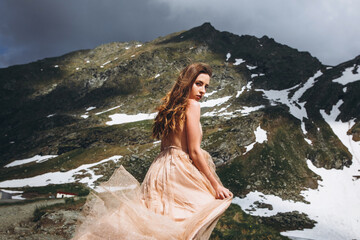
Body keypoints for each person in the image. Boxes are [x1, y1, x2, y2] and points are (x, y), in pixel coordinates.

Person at [73, 63, 233, 240]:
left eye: (206, 86)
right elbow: (194, 151)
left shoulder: (169, 110)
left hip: (159, 169)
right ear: (187, 82)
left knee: (154, 222)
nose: (203, 91)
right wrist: (215, 184)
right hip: (179, 169)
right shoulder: (193, 106)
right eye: (199, 84)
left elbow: (164, 148)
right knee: (198, 212)